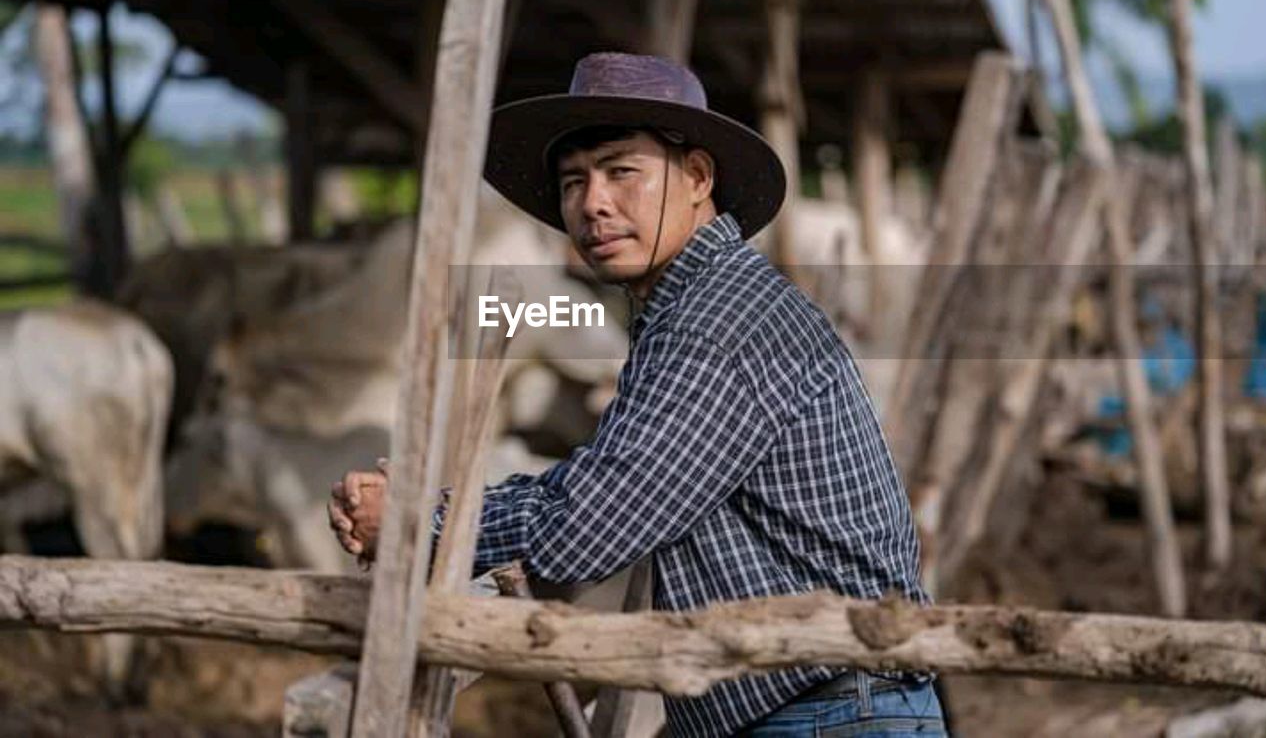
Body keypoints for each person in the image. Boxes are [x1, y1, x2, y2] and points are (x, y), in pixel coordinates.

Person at [328, 52, 944, 737]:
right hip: (817, 704)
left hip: (829, 713)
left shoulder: (723, 319)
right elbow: (605, 484)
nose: (593, 202)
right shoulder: (687, 312)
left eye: (623, 172)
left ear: (697, 179)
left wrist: (420, 520)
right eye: (572, 182)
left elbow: (589, 520)